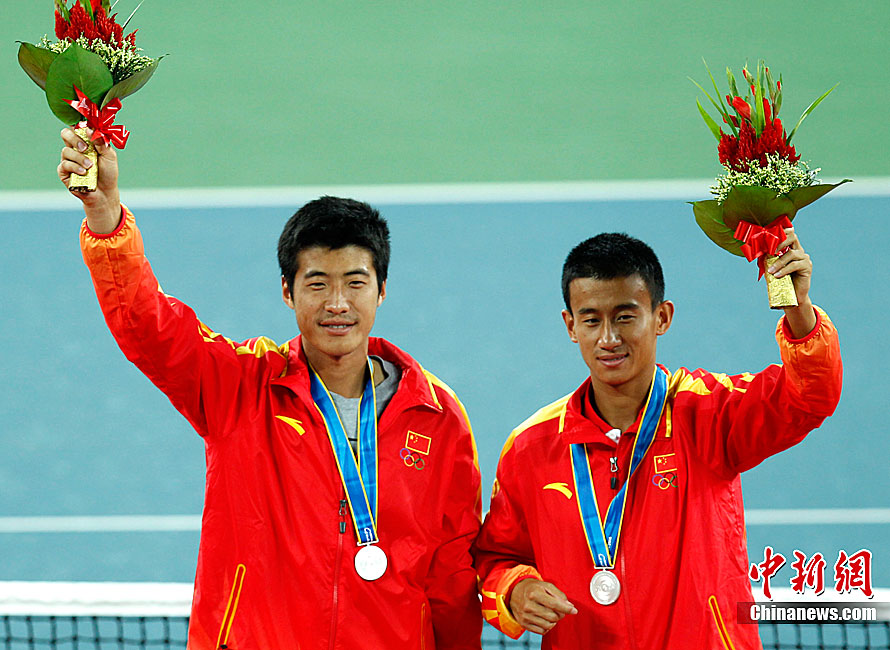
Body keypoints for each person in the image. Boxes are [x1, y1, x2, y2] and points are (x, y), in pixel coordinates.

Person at [58, 129, 483, 649]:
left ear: (381, 290)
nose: (337, 303)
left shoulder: (437, 417)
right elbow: (149, 326)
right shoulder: (239, 386)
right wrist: (105, 215)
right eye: (317, 283)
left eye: (355, 282)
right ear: (287, 291)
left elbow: (451, 577)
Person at [472, 231, 842, 649]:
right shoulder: (531, 447)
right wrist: (515, 589)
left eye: (625, 317)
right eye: (591, 320)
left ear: (662, 317)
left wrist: (798, 309)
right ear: (571, 326)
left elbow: (809, 397)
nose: (608, 339)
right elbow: (495, 559)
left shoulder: (710, 414)